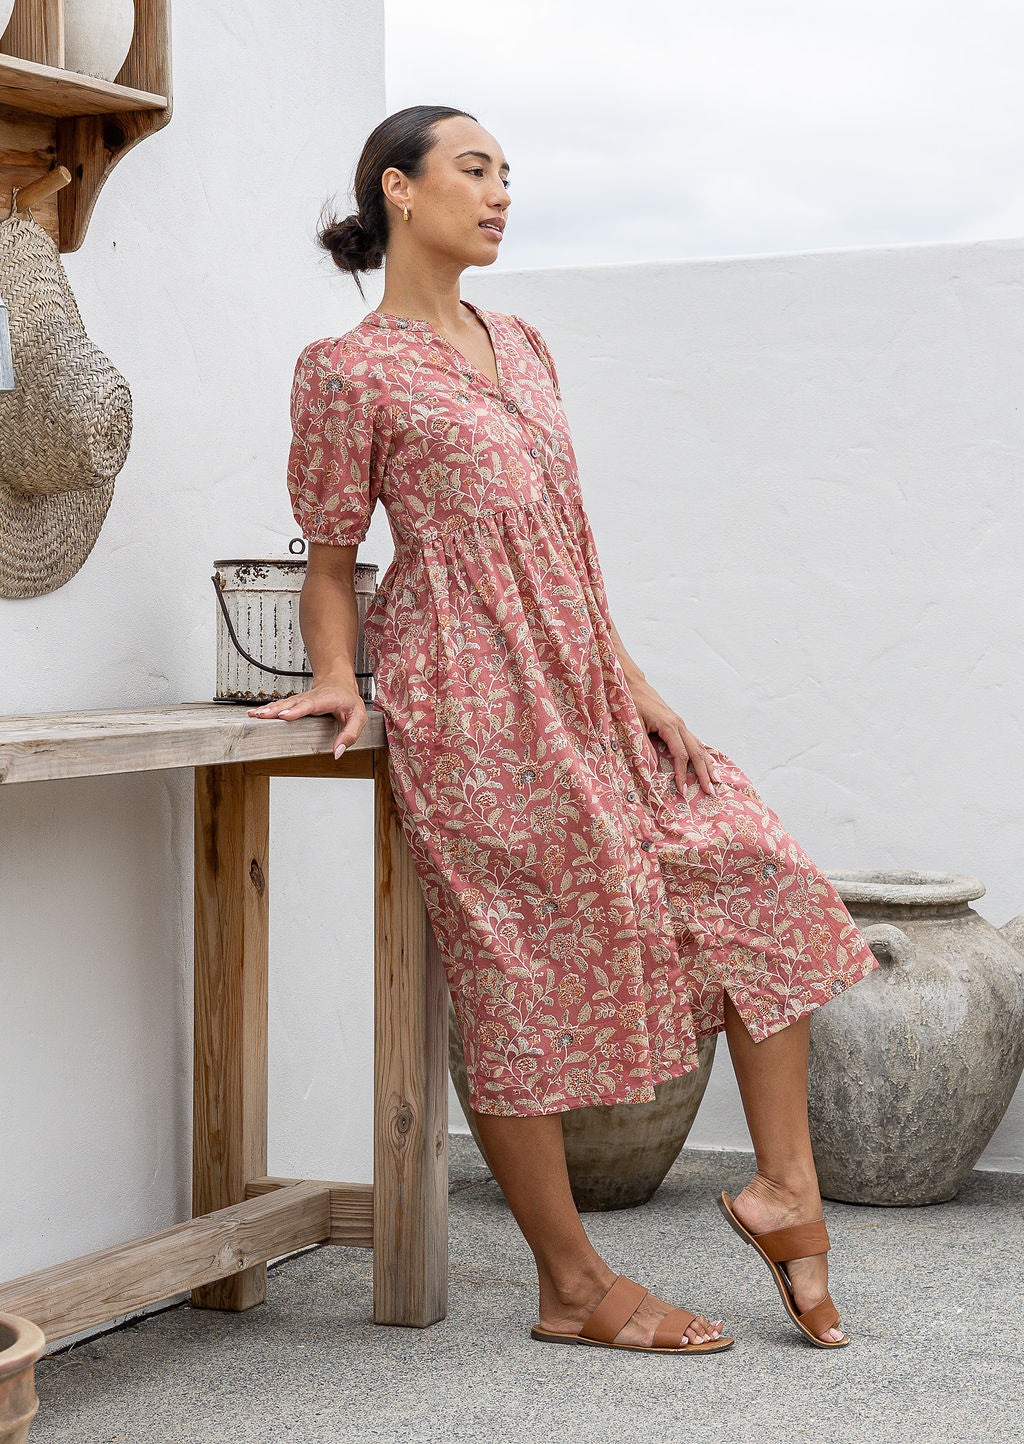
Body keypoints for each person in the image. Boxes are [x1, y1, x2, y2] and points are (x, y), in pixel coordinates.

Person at [249, 104, 880, 1355]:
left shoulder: (523, 343)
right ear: (400, 190)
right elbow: (332, 558)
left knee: (757, 873)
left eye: (505, 176)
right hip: (471, 703)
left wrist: (635, 682)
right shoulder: (346, 367)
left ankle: (785, 1189)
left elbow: (564, 550)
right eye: (473, 171)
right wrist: (336, 674)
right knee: (518, 973)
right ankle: (572, 1284)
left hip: (585, 686)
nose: (498, 195)